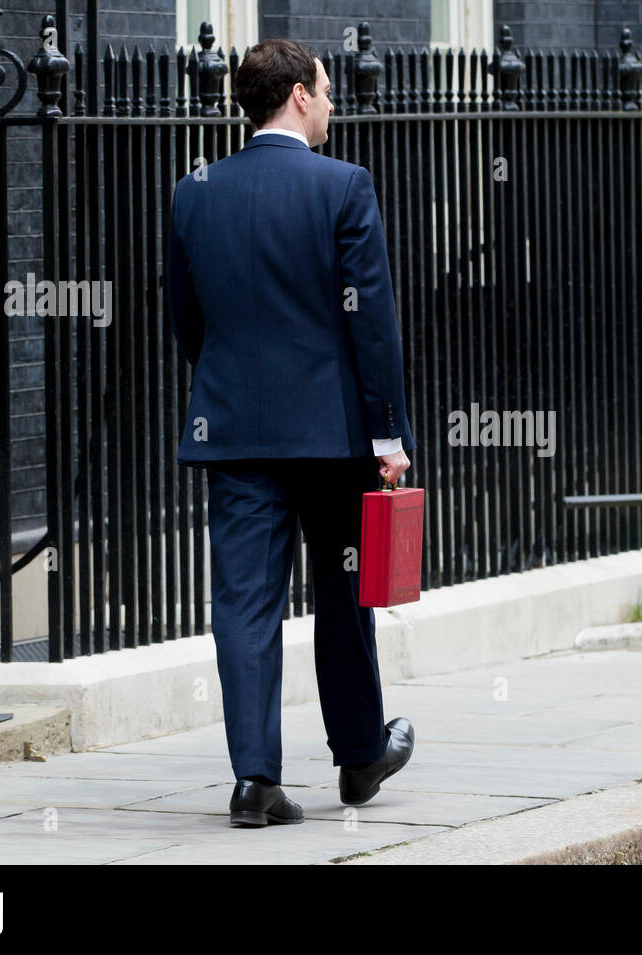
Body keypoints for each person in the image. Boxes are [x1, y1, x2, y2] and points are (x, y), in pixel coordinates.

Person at [164, 37, 416, 827]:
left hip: (235, 430)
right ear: (300, 95)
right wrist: (387, 437)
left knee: (242, 602)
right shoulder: (344, 187)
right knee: (344, 594)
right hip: (330, 436)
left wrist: (233, 388)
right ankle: (359, 754)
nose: (335, 104)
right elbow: (371, 326)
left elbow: (187, 321)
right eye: (329, 90)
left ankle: (255, 780)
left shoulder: (195, 193)